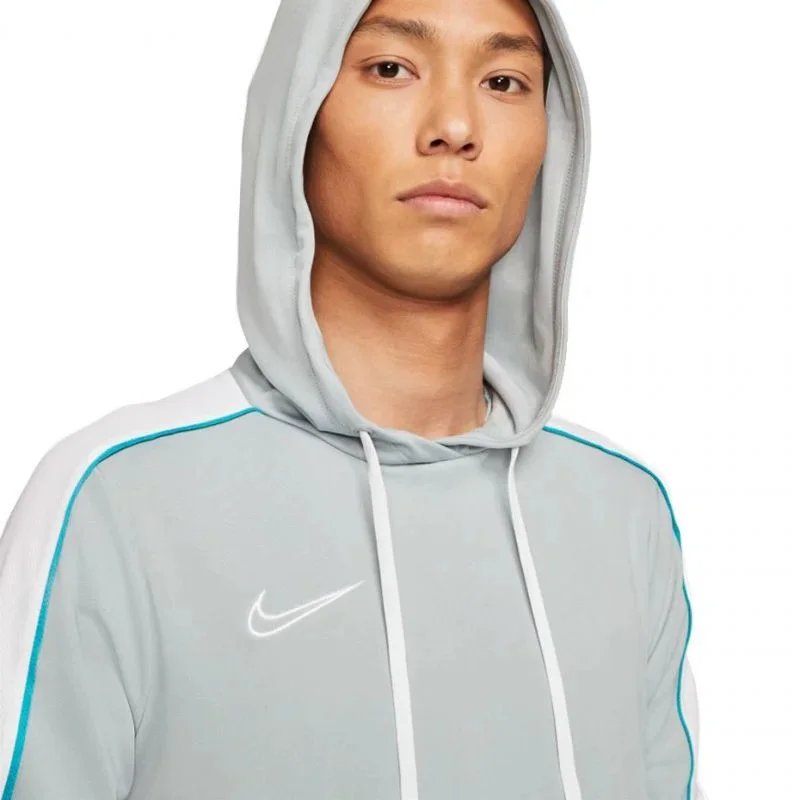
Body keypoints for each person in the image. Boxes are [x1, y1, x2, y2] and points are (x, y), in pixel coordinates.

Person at [0, 0, 708, 797]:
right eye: (391, 69)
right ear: (296, 112)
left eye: (504, 80)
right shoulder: (118, 503)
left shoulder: (624, 513)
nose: (454, 127)